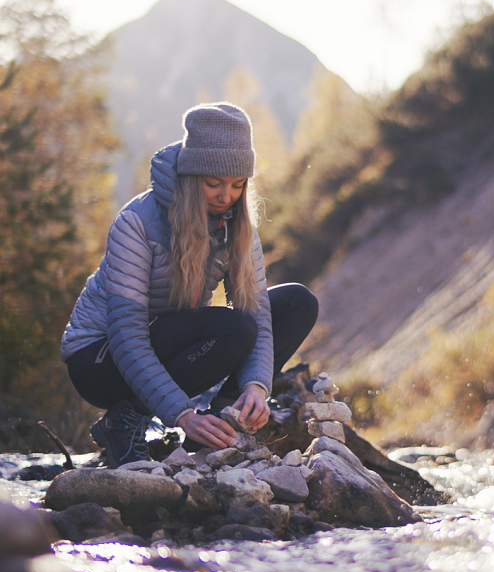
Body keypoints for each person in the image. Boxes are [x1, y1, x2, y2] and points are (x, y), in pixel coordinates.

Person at [60, 103, 318, 468]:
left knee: (296, 304)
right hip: (100, 357)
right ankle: (125, 422)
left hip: (165, 343)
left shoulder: (237, 227)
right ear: (190, 175)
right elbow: (126, 335)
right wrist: (182, 415)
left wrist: (256, 386)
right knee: (236, 327)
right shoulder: (137, 223)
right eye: (213, 183)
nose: (226, 196)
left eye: (237, 185)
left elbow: (257, 314)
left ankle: (227, 423)